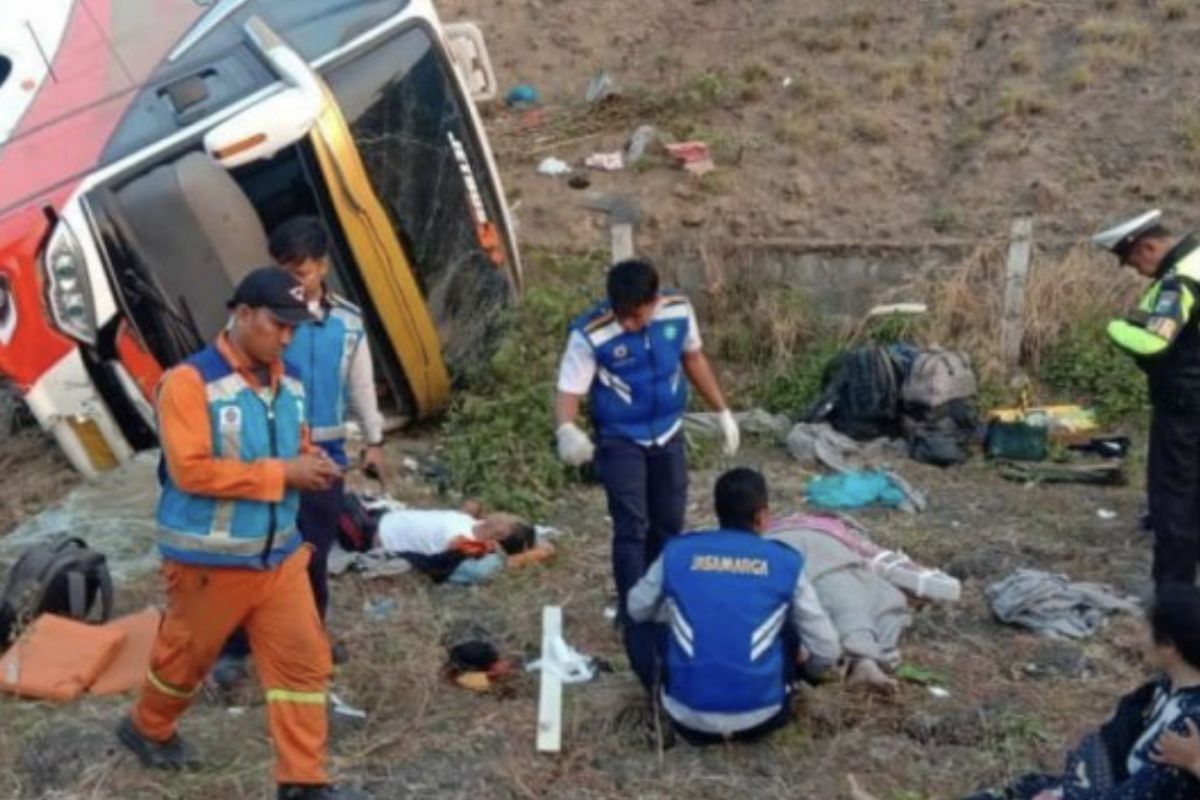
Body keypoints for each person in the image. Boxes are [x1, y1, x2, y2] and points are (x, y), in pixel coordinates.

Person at [116, 268, 368, 800]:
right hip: (209, 562)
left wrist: (310, 461)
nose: (286, 338)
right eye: (278, 325)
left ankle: (303, 783)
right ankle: (147, 727)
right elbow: (191, 471)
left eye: (294, 329)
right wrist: (285, 474)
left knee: (304, 664)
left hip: (278, 557)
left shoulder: (289, 378)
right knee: (188, 658)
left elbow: (293, 444)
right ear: (243, 314)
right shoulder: (187, 383)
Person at [216, 217, 386, 684]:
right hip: (266, 446)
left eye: (303, 272)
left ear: (323, 267)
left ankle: (310, 638)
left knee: (311, 551)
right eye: (284, 270)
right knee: (252, 548)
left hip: (324, 448)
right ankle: (234, 647)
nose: (294, 282)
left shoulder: (347, 322)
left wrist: (374, 439)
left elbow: (360, 382)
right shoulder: (255, 317)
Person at [554, 259, 739, 617]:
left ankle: (661, 598)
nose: (628, 323)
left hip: (668, 432)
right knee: (632, 526)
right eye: (621, 314)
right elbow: (568, 392)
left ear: (654, 301)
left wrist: (722, 411)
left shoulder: (679, 311)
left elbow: (693, 357)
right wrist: (567, 429)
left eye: (636, 316)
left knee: (669, 522)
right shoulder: (591, 333)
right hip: (620, 438)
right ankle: (632, 609)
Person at [623, 468, 842, 744]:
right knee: (784, 617)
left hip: (687, 720)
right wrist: (810, 671)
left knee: (636, 628)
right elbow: (828, 647)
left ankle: (659, 696)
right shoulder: (783, 561)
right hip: (765, 718)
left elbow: (636, 608)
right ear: (762, 516)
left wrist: (672, 614)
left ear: (717, 511)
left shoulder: (678, 552)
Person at [948, 582, 1200, 800]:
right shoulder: (1165, 687)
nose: (1136, 638)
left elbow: (1144, 791)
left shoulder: (1187, 726)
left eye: (1146, 629)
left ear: (1169, 646)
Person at [1093, 210, 1200, 587]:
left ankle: (1174, 596)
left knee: (1175, 501)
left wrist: (1114, 327)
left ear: (1149, 247)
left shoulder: (1179, 281)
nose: (1134, 270)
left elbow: (1154, 343)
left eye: (1132, 260)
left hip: (1186, 410)